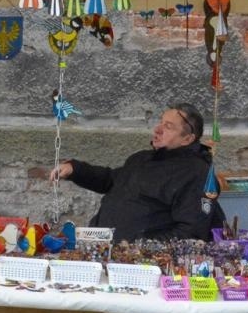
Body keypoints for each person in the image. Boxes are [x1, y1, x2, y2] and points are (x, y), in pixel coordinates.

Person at [49, 102, 222, 241]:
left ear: (187, 139)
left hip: (143, 261)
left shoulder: (197, 173)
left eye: (168, 127)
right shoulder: (141, 158)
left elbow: (190, 231)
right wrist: (75, 169)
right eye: (160, 122)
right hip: (102, 248)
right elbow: (111, 180)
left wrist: (139, 246)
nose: (158, 129)